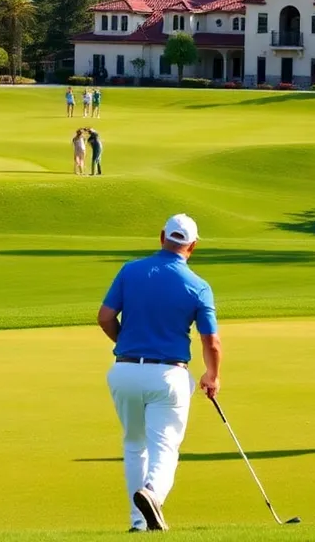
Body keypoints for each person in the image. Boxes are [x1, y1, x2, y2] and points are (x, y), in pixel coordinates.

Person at [98, 214, 220, 532]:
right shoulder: (198, 286)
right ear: (192, 246)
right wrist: (212, 374)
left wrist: (125, 342)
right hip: (168, 376)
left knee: (134, 444)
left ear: (162, 235)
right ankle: (152, 494)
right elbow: (212, 341)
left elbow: (105, 317)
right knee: (164, 447)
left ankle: (140, 524)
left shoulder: (130, 270)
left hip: (124, 371)